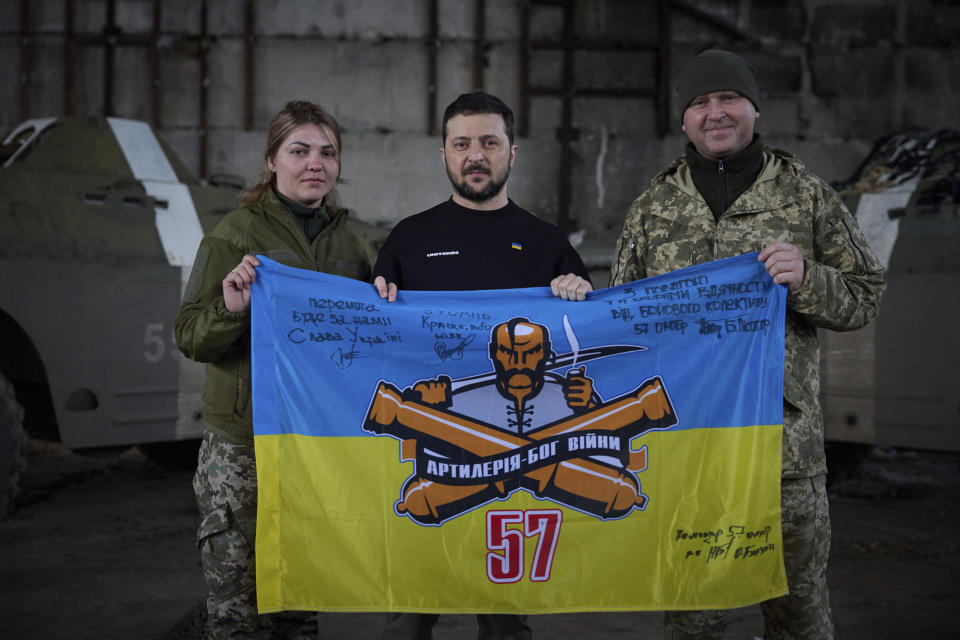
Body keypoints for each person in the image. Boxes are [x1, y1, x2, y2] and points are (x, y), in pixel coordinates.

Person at [609, 49, 886, 639]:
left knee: (799, 617)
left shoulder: (807, 196)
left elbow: (866, 296)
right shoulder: (652, 209)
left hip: (783, 455)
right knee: (692, 621)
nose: (715, 113)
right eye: (699, 103)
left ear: (754, 108)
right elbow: (622, 325)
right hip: (690, 454)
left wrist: (809, 278)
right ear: (683, 119)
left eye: (728, 99)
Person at [373, 91, 593, 640]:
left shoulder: (547, 244)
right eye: (462, 143)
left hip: (519, 460)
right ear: (444, 154)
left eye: (489, 143)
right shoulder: (408, 239)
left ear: (512, 153)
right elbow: (373, 339)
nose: (476, 155)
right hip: (429, 459)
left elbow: (580, 343)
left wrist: (578, 291)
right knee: (407, 618)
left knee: (505, 626)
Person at [174, 100, 375, 639]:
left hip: (315, 446)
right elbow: (191, 336)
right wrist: (230, 308)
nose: (315, 163)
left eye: (327, 153)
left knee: (298, 606)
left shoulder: (353, 247)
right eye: (300, 150)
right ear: (272, 160)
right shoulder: (234, 235)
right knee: (236, 609)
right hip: (243, 448)